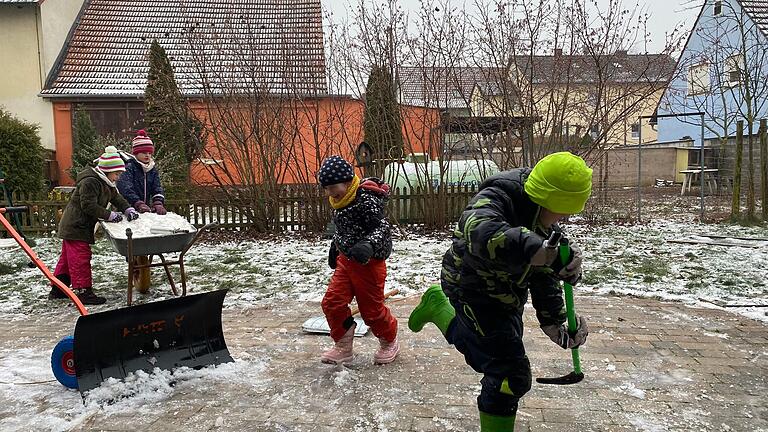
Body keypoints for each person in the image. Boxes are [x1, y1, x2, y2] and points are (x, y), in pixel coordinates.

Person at [408, 152, 592, 431]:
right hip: (471, 288)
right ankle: (443, 308)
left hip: (507, 296)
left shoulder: (542, 220)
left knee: (493, 353)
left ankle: (438, 308)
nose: (564, 216)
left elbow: (542, 275)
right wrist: (538, 251)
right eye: (563, 208)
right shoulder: (496, 198)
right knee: (509, 374)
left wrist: (555, 321)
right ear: (544, 197)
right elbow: (480, 230)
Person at [318, 155, 400, 365]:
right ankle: (343, 347)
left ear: (346, 182)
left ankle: (389, 341)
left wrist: (368, 245)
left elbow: (382, 228)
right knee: (332, 303)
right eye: (325, 188)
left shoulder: (366, 199)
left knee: (371, 311)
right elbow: (344, 228)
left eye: (332, 187)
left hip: (369, 264)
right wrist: (335, 247)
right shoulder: (340, 199)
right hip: (346, 262)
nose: (329, 193)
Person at [49, 146, 140, 305]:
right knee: (80, 258)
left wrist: (127, 208)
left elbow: (116, 198)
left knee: (67, 259)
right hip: (76, 225)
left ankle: (58, 290)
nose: (118, 177)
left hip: (79, 225)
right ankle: (83, 292)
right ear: (107, 170)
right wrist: (109, 215)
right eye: (117, 174)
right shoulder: (90, 181)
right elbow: (88, 205)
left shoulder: (106, 182)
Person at [117, 129, 167, 215]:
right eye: (144, 152)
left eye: (149, 153)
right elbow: (125, 188)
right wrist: (137, 202)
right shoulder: (129, 168)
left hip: (145, 209)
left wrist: (158, 202)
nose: (147, 155)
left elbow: (157, 187)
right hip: (127, 208)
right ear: (136, 153)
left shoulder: (152, 169)